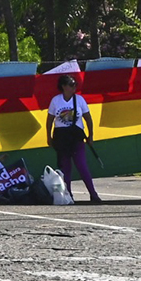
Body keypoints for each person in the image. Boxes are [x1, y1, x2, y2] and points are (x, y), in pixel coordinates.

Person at [45, 74, 102, 203]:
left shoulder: (79, 100)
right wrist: (49, 136)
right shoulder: (56, 100)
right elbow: (49, 120)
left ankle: (93, 194)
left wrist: (90, 135)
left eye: (75, 84)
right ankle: (68, 195)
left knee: (82, 165)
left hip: (76, 136)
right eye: (71, 84)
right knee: (65, 168)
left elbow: (88, 118)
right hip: (61, 137)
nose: (74, 87)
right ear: (64, 86)